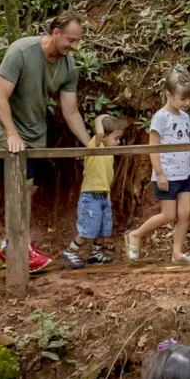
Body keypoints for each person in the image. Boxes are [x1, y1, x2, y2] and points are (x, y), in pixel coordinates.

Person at [0, 11, 92, 239]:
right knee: (23, 183)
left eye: (78, 41)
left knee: (31, 187)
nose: (74, 46)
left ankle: (15, 244)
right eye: (70, 40)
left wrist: (91, 144)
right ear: (55, 33)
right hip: (6, 125)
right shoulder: (21, 51)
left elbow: (70, 111)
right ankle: (16, 246)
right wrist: (11, 134)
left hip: (35, 128)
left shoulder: (69, 66)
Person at [128, 69, 190, 264]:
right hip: (167, 174)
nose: (187, 103)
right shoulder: (160, 117)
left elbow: (186, 143)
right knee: (168, 215)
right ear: (168, 95)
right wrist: (159, 173)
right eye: (183, 98)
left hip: (184, 174)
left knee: (185, 212)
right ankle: (136, 234)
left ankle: (177, 253)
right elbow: (153, 147)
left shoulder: (185, 118)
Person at [69, 113, 127, 268]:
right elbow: (99, 132)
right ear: (105, 136)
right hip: (90, 195)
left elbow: (105, 178)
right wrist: (99, 118)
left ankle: (96, 254)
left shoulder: (108, 154)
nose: (118, 142)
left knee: (103, 227)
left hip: (102, 195)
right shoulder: (96, 145)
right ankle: (71, 251)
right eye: (116, 138)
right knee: (89, 226)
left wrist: (108, 195)